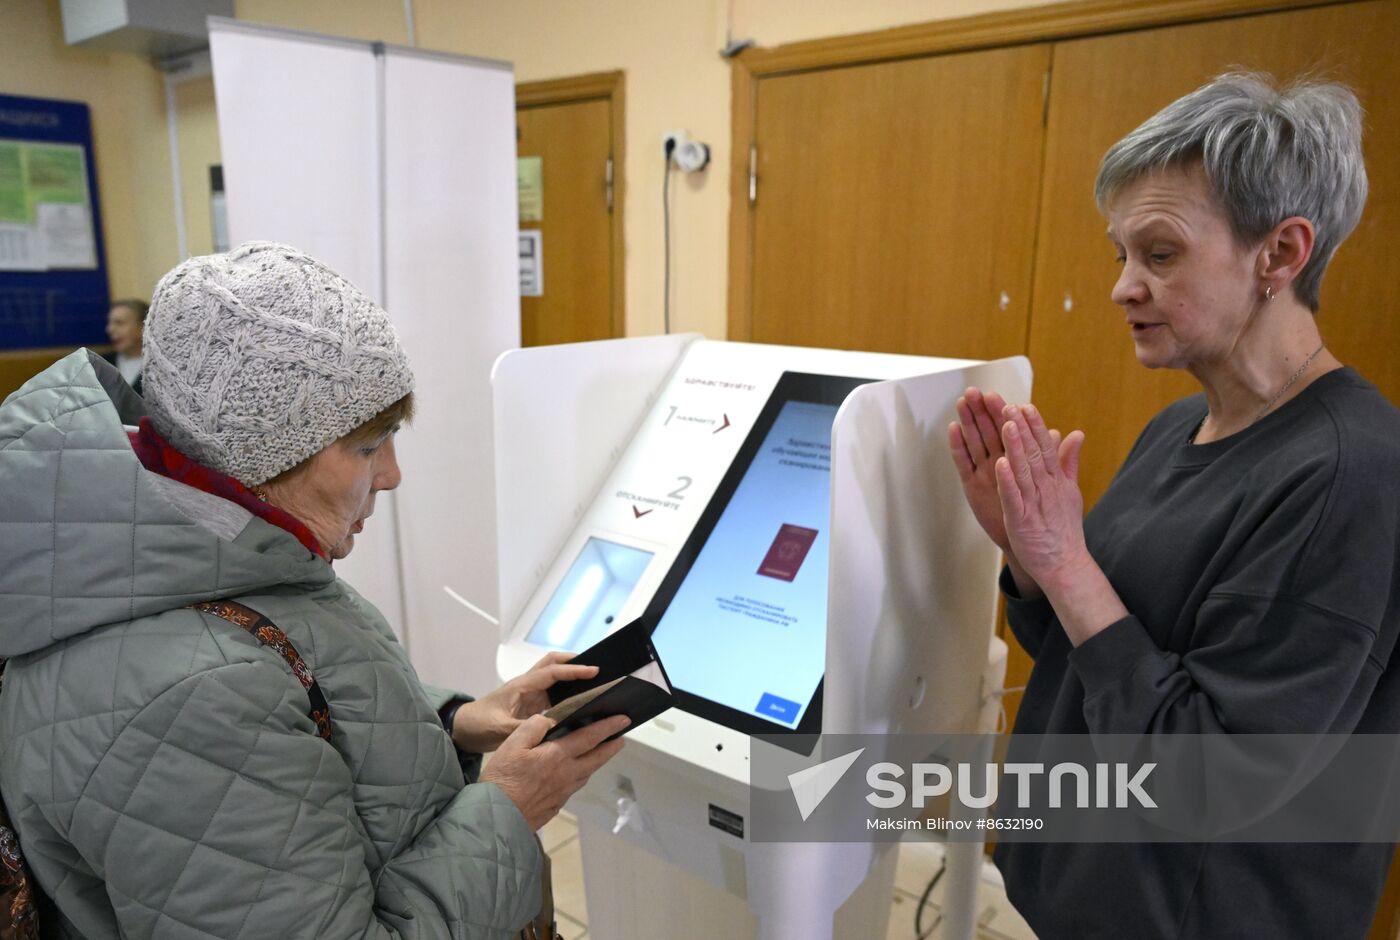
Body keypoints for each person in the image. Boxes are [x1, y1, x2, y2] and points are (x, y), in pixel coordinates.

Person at [0, 242, 627, 938]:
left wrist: (449, 725)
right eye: (368, 445)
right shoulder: (182, 698)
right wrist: (506, 807)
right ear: (260, 458)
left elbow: (289, 740)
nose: (390, 474)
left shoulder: (212, 555)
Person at [948, 73, 1400, 938]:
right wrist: (1033, 563)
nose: (1123, 285)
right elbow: (1088, 654)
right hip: (1081, 895)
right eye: (1119, 253)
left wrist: (1069, 563)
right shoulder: (1180, 426)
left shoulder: (1352, 475)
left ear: (1280, 253)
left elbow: (1211, 776)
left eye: (1159, 254)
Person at [103, 297, 148, 394]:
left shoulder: (159, 367)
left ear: (143, 326)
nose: (110, 329)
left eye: (119, 323)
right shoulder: (101, 364)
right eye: (110, 323)